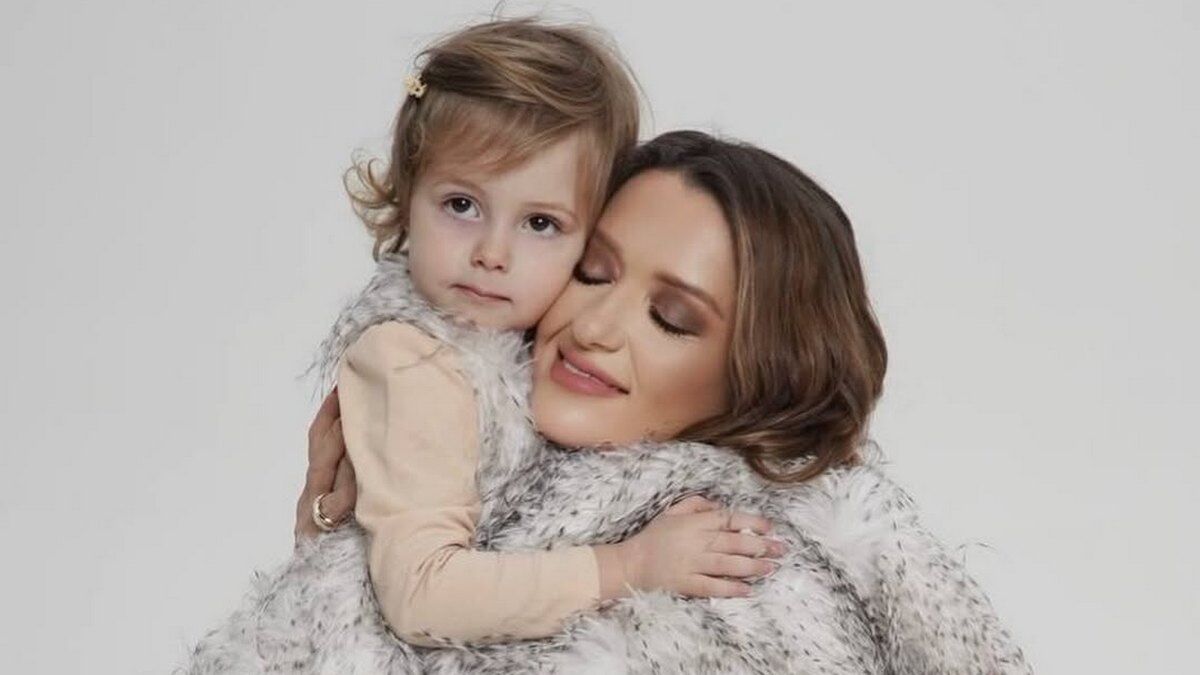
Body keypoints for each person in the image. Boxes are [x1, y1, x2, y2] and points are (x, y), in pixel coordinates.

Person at [279, 130, 1031, 673]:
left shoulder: (745, 578)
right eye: (592, 272)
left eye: (670, 319)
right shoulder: (470, 438)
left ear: (760, 377)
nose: (594, 329)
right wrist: (335, 541)